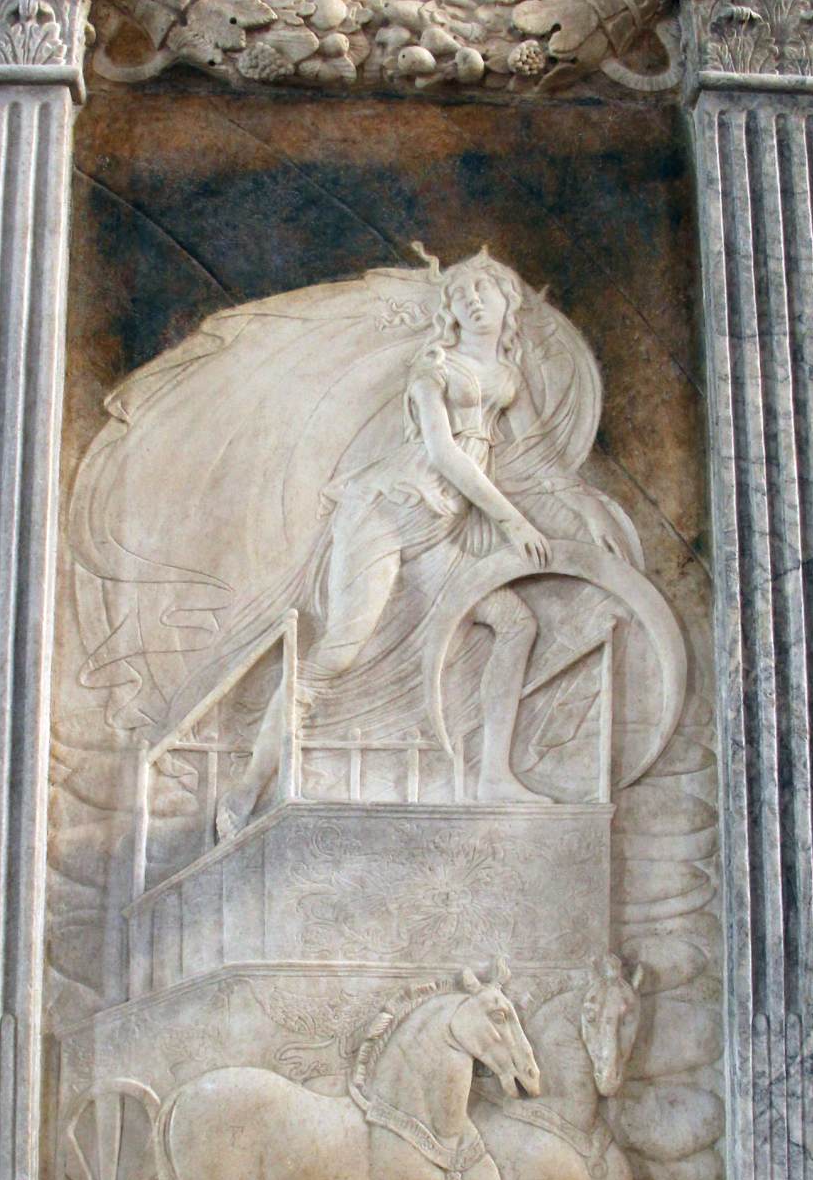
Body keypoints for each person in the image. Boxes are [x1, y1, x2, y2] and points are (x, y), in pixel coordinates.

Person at [215, 249, 628, 840]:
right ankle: (248, 785)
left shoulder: (508, 380)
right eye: (461, 295)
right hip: (387, 513)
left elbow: (540, 460)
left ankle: (493, 776)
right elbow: (443, 454)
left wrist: (588, 507)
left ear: (509, 301)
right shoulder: (434, 368)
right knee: (340, 650)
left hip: (440, 536)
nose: (474, 300)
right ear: (450, 313)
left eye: (485, 289)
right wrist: (513, 522)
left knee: (515, 623)